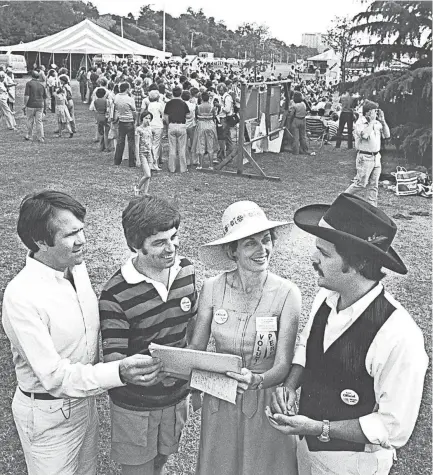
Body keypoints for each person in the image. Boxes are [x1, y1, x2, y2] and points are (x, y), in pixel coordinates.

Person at [2, 190, 168, 475]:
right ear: (40, 241)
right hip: (47, 417)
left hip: (84, 404)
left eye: (81, 229)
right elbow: (54, 377)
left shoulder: (75, 267)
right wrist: (118, 372)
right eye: (70, 235)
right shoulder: (21, 297)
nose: (82, 240)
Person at [268, 193, 428, 475]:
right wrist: (291, 384)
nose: (313, 258)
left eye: (324, 253)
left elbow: (392, 427)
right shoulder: (326, 298)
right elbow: (309, 346)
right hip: (306, 453)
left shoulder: (399, 336)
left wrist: (318, 428)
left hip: (355, 466)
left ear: (357, 264)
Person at [190, 201, 300, 475]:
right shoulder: (212, 289)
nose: (262, 250)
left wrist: (257, 380)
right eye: (250, 243)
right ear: (233, 251)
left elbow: (283, 364)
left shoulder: (288, 293)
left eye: (266, 240)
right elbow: (196, 349)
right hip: (220, 401)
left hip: (265, 402)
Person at [99, 194, 198, 475]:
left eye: (174, 237)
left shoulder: (186, 270)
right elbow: (115, 361)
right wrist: (144, 372)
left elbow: (190, 324)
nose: (172, 248)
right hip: (135, 407)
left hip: (176, 397)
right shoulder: (115, 294)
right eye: (159, 243)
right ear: (135, 246)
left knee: (161, 462)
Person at [344, 100, 390, 207]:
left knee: (374, 185)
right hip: (364, 157)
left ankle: (372, 208)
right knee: (360, 184)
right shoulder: (360, 123)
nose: (377, 114)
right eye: (375, 111)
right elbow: (364, 135)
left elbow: (387, 135)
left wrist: (383, 121)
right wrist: (372, 122)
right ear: (368, 113)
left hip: (376, 157)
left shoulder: (377, 123)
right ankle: (342, 198)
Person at [164, 86, 190, 173]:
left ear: (172, 93)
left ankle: (172, 168)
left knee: (172, 148)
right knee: (182, 148)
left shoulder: (168, 103)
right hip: (181, 125)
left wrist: (169, 124)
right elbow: (188, 115)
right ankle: (183, 168)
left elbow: (166, 116)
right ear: (181, 93)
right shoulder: (184, 103)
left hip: (172, 125)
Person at [191, 91, 219, 169]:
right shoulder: (212, 107)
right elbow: (214, 117)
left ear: (201, 98)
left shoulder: (198, 107)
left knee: (201, 144)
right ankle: (211, 165)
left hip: (201, 125)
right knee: (210, 145)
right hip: (210, 124)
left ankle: (200, 165)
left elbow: (196, 116)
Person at [114, 82, 137, 167]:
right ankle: (132, 162)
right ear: (127, 89)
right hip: (129, 120)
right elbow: (134, 110)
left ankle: (117, 160)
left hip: (121, 121)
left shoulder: (116, 97)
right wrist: (135, 120)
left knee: (120, 141)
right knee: (131, 142)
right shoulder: (130, 99)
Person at [24, 71, 47, 142]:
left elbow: (27, 96)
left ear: (32, 76)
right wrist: (45, 108)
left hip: (31, 104)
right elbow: (44, 98)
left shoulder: (29, 84)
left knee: (30, 120)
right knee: (39, 121)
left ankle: (29, 135)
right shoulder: (42, 85)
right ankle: (41, 137)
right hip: (40, 105)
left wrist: (25, 105)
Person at [134, 110, 153, 195]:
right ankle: (138, 187)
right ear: (142, 118)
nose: (148, 120)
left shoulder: (149, 128)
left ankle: (145, 192)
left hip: (149, 153)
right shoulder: (138, 129)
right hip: (142, 153)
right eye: (146, 118)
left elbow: (151, 142)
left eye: (149, 118)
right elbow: (137, 144)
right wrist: (137, 158)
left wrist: (153, 155)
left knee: (149, 175)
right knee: (147, 174)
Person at [289, 91, 308, 155]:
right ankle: (305, 149)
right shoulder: (303, 104)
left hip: (296, 119)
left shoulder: (294, 106)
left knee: (296, 137)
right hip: (303, 119)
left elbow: (291, 115)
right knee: (303, 136)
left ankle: (296, 151)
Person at [94, 87, 110, 152]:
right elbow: (107, 109)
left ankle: (101, 146)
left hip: (98, 116)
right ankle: (107, 147)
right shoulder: (106, 101)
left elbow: (95, 109)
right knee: (106, 132)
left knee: (101, 132)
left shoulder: (95, 101)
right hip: (104, 116)